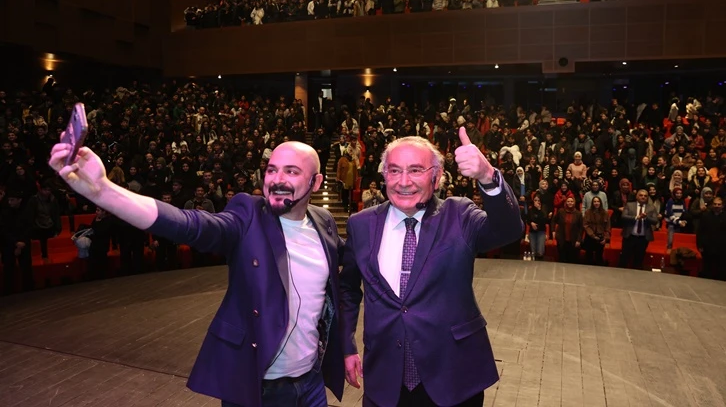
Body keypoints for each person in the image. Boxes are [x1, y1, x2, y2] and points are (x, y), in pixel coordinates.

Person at [49, 141, 345, 407]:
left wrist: (349, 348)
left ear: (316, 181)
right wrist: (103, 190)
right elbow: (188, 224)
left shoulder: (323, 221)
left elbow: (342, 281)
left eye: (291, 171)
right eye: (271, 170)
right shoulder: (248, 215)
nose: (277, 179)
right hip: (257, 387)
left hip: (311, 382)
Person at [339, 127, 523, 407]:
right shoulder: (360, 224)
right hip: (386, 379)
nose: (403, 182)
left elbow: (508, 230)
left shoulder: (459, 215)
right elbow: (348, 290)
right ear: (384, 175)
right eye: (394, 170)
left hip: (454, 377)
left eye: (415, 170)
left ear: (436, 178)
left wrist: (487, 175)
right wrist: (346, 345)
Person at [0, 190, 34, 295]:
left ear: (19, 200)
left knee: (26, 269)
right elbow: (3, 230)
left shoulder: (26, 212)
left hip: (23, 243)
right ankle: (9, 292)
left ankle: (28, 291)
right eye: (9, 200)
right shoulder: (4, 212)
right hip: (9, 244)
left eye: (12, 200)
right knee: (8, 269)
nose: (10, 202)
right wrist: (16, 242)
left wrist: (22, 242)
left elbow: (29, 227)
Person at [618, 189, 659, 270]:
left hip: (643, 238)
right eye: (641, 195)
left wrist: (646, 217)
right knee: (624, 259)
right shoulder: (629, 205)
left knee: (638, 261)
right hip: (630, 236)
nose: (643, 197)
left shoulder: (651, 207)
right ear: (637, 196)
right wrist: (637, 217)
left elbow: (655, 221)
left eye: (645, 196)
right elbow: (624, 217)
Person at [697, 197, 726, 280]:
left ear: (722, 206)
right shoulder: (705, 216)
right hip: (708, 247)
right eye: (715, 204)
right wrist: (700, 245)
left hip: (722, 248)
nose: (717, 206)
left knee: (721, 269)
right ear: (712, 205)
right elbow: (700, 231)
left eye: (719, 204)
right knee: (707, 268)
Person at [551, 196, 583, 264]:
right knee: (562, 260)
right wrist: (553, 231)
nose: (570, 203)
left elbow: (581, 228)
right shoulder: (561, 211)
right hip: (562, 240)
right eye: (568, 201)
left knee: (572, 261)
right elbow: (553, 220)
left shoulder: (578, 214)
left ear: (574, 202)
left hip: (573, 241)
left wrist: (579, 240)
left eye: (571, 201)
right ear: (566, 202)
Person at [582, 196, 610, 266]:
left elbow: (608, 227)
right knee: (589, 257)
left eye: (598, 201)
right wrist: (593, 236)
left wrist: (605, 238)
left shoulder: (605, 213)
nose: (596, 203)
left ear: (600, 203)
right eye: (594, 201)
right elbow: (586, 225)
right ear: (592, 203)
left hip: (601, 237)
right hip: (590, 237)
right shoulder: (588, 212)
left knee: (599, 257)